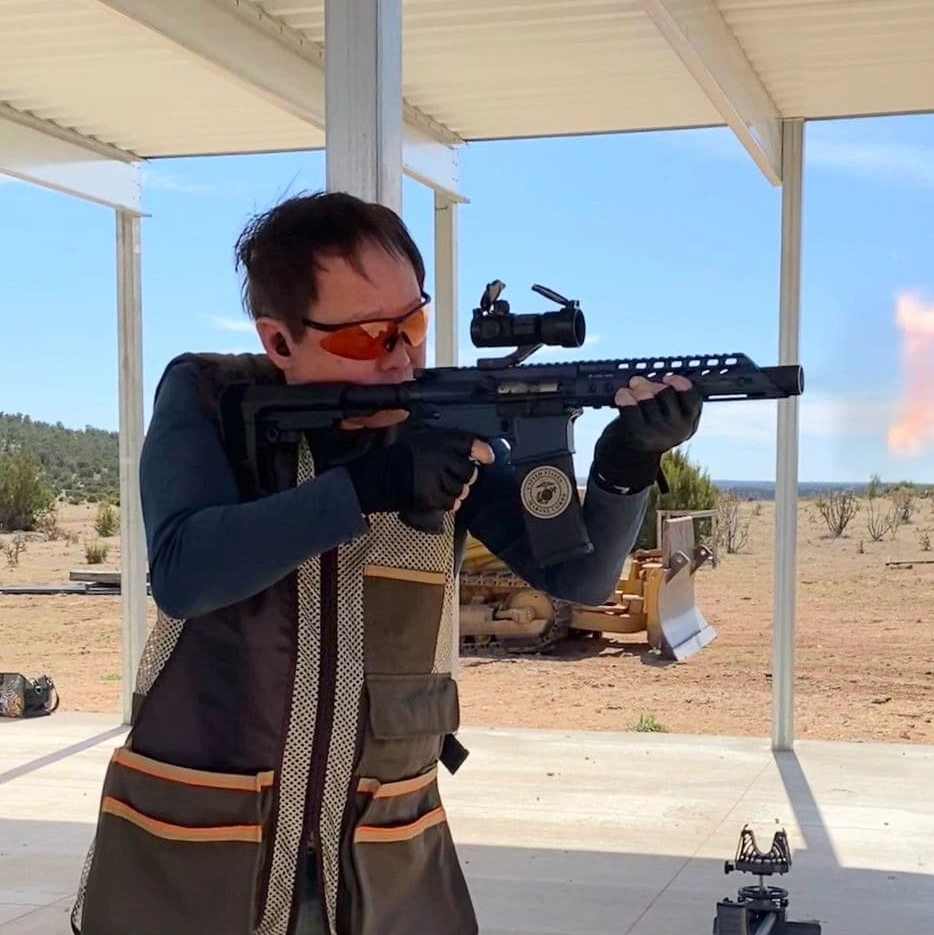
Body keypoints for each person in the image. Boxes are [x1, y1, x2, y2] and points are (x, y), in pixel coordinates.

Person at [69, 191, 702, 935]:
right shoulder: (210, 398)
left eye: (413, 325)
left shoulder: (438, 429)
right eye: (368, 338)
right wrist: (364, 488)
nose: (402, 356)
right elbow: (183, 571)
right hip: (200, 863)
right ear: (279, 341)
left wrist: (624, 465)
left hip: (380, 868)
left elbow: (581, 578)